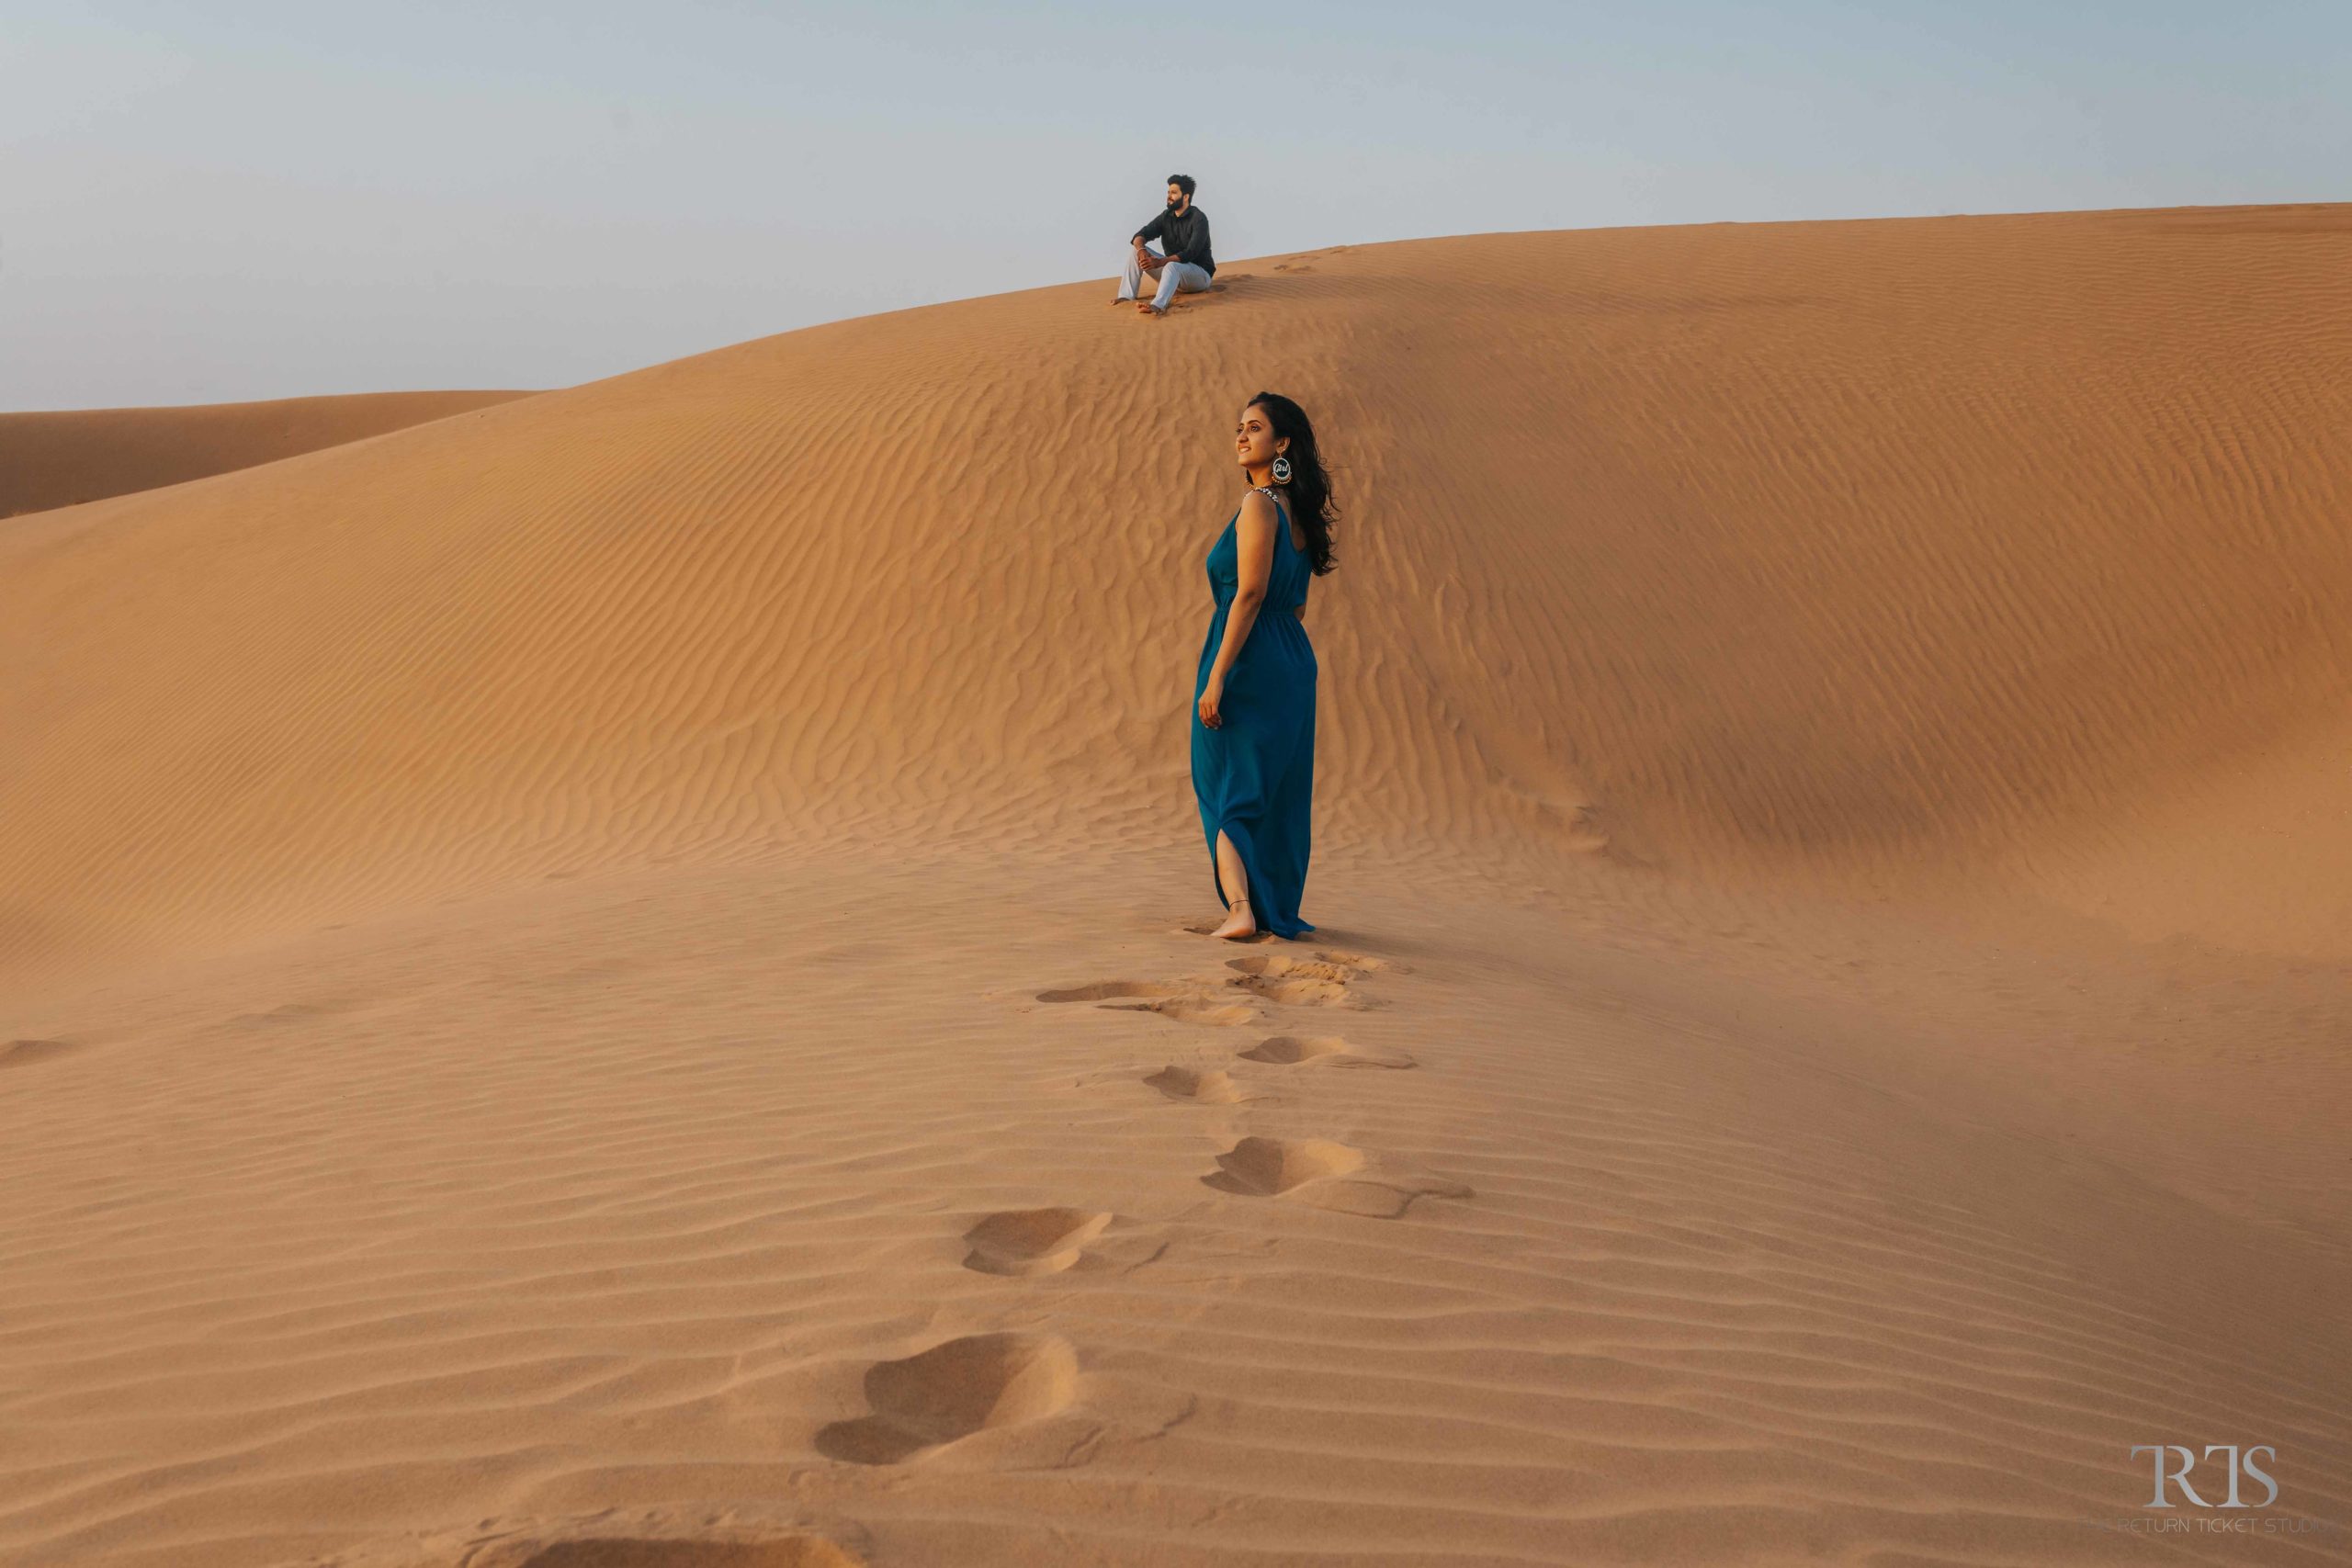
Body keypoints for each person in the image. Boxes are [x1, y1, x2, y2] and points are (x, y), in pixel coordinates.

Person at [1192, 392, 1337, 940]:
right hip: (1292, 658)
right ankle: (1270, 903)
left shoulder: (1258, 506)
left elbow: (1248, 595)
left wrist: (1217, 675)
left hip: (1249, 656)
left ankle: (1240, 909)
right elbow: (1294, 604)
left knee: (1228, 782)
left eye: (1254, 428)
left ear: (1282, 445)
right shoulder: (1297, 517)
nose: (1241, 436)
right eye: (1238, 428)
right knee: (1276, 785)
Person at [1119, 175, 1216, 316]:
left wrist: (1160, 262)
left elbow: (1190, 253)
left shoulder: (1199, 218)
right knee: (1135, 252)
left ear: (1186, 197)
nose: (1169, 196)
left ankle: (1158, 306)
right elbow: (1140, 235)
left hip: (1200, 276)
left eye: (1174, 193)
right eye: (1168, 192)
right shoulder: (1166, 216)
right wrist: (1141, 250)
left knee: (1171, 265)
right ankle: (1126, 296)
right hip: (1174, 277)